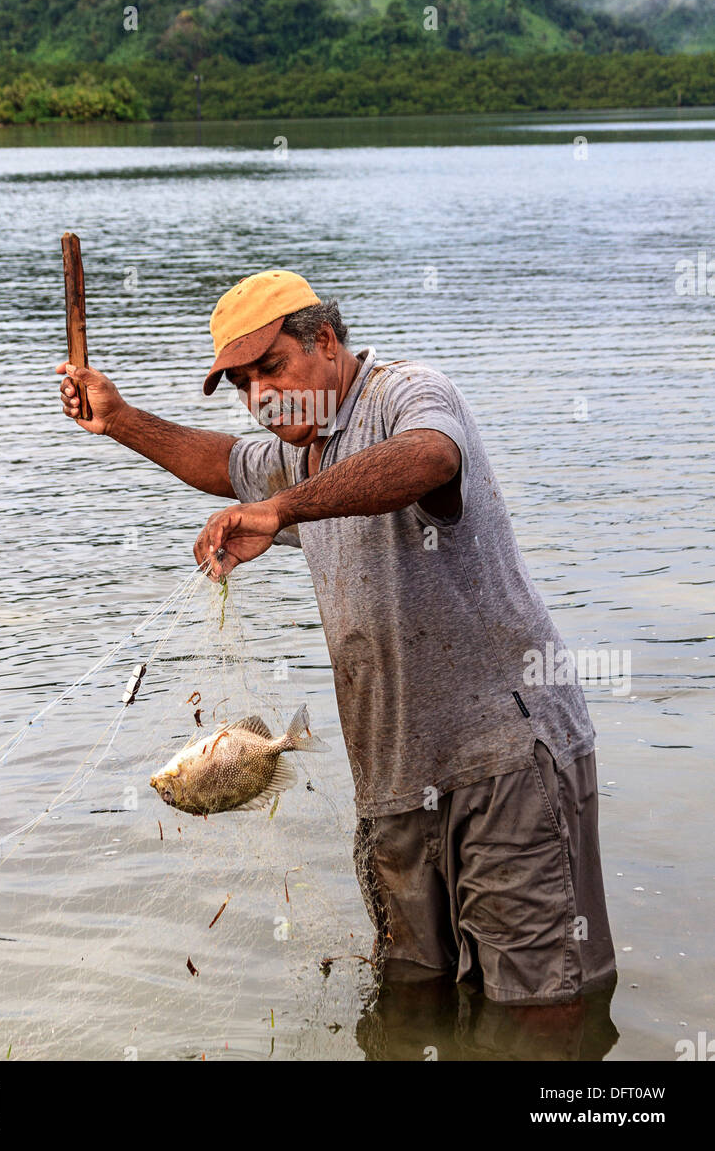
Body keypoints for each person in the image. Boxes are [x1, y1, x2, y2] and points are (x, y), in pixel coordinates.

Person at [57, 267, 617, 1009]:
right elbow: (222, 464)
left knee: (538, 1003)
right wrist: (120, 417)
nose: (261, 395)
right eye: (243, 383)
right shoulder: (299, 448)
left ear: (325, 339)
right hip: (391, 778)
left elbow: (429, 458)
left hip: (503, 759)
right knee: (409, 993)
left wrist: (282, 511)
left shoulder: (403, 393)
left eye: (271, 367)